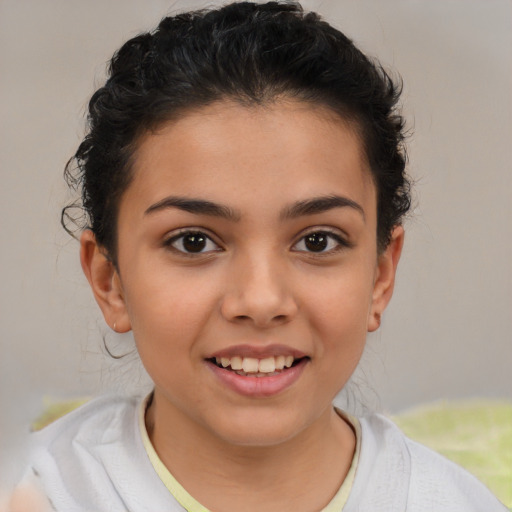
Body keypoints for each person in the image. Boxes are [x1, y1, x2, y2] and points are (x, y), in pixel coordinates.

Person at [14, 2, 507, 511]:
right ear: (108, 279)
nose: (261, 300)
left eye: (318, 241)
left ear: (381, 276)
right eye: (193, 241)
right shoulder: (39, 493)